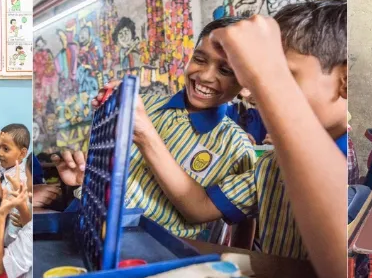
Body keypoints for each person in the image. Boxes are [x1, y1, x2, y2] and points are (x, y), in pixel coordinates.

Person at [55, 17, 256, 239]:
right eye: (199, 59)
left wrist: (145, 134)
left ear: (245, 83)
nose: (206, 76)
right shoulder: (143, 104)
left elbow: (224, 219)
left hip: (150, 247)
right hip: (82, 219)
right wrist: (84, 171)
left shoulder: (236, 147)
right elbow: (101, 166)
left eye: (226, 70)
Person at [206, 2, 349, 278]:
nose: (247, 92)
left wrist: (268, 79)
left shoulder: (344, 157)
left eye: (287, 74)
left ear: (345, 81)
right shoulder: (273, 164)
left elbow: (343, 275)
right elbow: (197, 208)